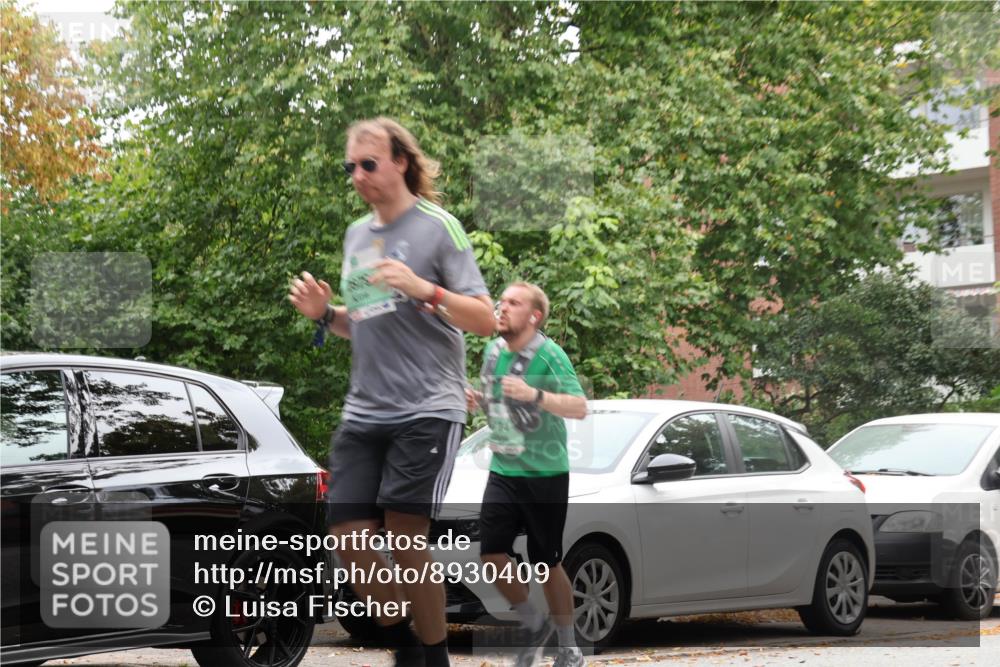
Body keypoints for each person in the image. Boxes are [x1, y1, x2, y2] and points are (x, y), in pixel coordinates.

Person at [289, 117, 494, 667]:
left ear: (400, 162)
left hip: (428, 406)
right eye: (349, 167)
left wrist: (425, 288)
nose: (357, 175)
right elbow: (364, 321)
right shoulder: (357, 236)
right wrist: (324, 314)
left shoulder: (438, 228)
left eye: (369, 164)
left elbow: (484, 319)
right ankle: (405, 634)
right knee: (346, 537)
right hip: (364, 411)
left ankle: (433, 656)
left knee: (407, 541)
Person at [465, 282, 588, 667]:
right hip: (504, 467)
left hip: (545, 472)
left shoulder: (549, 355)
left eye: (513, 303)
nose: (502, 307)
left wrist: (535, 394)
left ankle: (568, 648)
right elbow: (502, 399)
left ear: (534, 316)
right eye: (501, 301)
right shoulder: (493, 350)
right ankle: (534, 622)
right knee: (491, 554)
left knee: (545, 562)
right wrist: (480, 400)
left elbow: (579, 407)